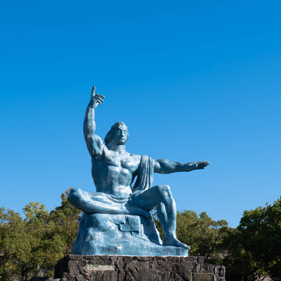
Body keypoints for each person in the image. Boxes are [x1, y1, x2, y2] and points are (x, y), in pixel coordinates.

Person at [66, 87, 209, 250]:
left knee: (164, 190)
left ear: (128, 136)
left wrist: (192, 166)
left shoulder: (138, 159)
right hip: (105, 197)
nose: (122, 133)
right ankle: (124, 210)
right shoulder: (101, 152)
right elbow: (89, 133)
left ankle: (170, 237)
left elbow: (165, 166)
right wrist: (91, 108)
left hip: (132, 199)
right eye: (118, 130)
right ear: (111, 134)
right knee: (74, 195)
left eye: (125, 131)